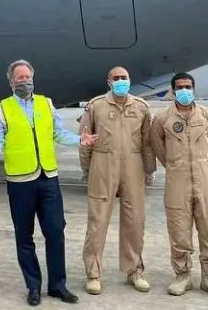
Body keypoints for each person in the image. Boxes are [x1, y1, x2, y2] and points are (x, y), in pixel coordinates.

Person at [0, 59, 96, 306]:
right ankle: (33, 286)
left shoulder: (46, 103)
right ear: (11, 82)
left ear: (33, 77)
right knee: (24, 236)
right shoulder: (3, 108)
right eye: (19, 78)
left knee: (55, 232)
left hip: (48, 179)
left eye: (27, 77)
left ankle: (58, 286)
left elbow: (58, 133)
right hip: (20, 181)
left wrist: (80, 140)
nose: (24, 81)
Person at [78, 66, 157, 295]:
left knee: (135, 221)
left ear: (130, 80)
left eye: (124, 78)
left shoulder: (141, 107)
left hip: (133, 164)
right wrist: (87, 169)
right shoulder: (96, 106)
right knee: (97, 222)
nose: (121, 81)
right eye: (116, 78)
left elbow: (147, 142)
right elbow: (85, 141)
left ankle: (135, 271)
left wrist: (149, 169)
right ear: (109, 81)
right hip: (103, 163)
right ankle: (93, 273)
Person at [149, 71, 208, 299]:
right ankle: (182, 275)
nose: (185, 91)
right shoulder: (163, 119)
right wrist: (175, 165)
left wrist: (206, 165)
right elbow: (157, 146)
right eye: (180, 87)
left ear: (194, 89)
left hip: (205, 180)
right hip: (177, 180)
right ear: (173, 90)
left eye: (188, 86)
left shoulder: (207, 115)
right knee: (178, 229)